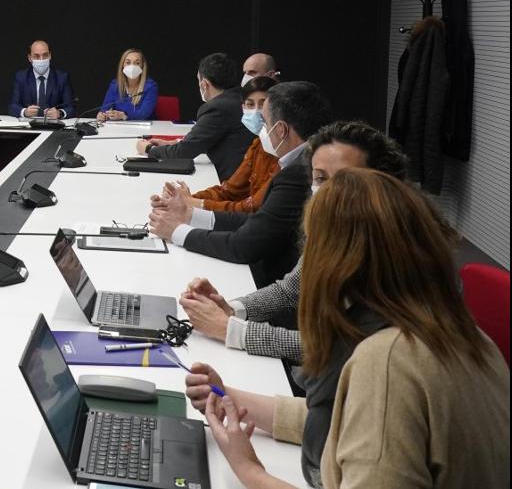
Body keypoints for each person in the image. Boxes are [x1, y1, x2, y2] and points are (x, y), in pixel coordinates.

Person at [184, 169, 508, 489]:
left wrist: (248, 469)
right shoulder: (465, 336)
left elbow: (371, 416)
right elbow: (344, 423)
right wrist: (226, 396)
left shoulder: (386, 361)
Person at [180, 121, 411, 364]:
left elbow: (340, 348)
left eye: (343, 180)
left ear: (382, 183)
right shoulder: (329, 227)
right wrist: (231, 309)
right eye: (320, 178)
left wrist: (231, 330)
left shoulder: (394, 253)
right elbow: (289, 290)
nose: (329, 191)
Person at [148, 81, 333, 287]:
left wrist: (176, 231)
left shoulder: (298, 172)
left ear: (281, 130)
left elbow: (244, 245)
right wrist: (190, 215)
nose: (261, 129)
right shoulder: (299, 161)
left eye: (264, 122)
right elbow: (259, 220)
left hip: (275, 282)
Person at [136, 53, 252, 181]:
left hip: (233, 182)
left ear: (205, 84)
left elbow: (184, 152)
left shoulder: (217, 108)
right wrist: (174, 143)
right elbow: (208, 140)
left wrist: (149, 149)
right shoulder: (242, 98)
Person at [173, 76, 280, 214]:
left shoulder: (282, 153)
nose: (257, 111)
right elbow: (229, 190)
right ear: (243, 107)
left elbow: (252, 207)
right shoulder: (258, 144)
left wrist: (197, 203)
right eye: (250, 104)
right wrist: (185, 199)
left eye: (263, 104)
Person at [8, 40, 76, 119]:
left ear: (50, 56)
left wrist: (59, 113)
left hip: (53, 126)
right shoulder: (21, 77)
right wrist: (25, 112)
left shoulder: (62, 77)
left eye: (45, 55)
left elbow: (71, 108)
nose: (41, 59)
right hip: (29, 125)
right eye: (36, 56)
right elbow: (12, 106)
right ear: (29, 58)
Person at [95, 48, 157, 121]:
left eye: (137, 63)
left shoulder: (150, 86)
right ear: (122, 65)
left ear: (142, 66)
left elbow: (143, 115)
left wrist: (123, 115)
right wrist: (101, 115)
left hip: (145, 129)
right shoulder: (115, 85)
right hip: (119, 129)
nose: (132, 66)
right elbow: (104, 109)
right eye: (128, 62)